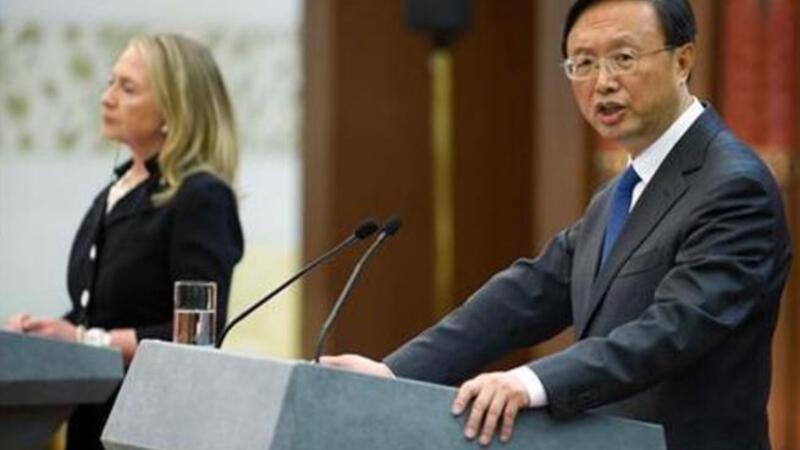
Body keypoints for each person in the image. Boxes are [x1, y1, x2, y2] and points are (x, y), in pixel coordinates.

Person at [322, 1, 791, 449]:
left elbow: (671, 329)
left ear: (682, 60)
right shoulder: (620, 192)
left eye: (623, 58)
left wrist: (531, 382)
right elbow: (530, 292)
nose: (602, 82)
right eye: (583, 63)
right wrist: (395, 375)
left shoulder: (733, 186)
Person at [5, 33, 244, 450]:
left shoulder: (201, 196)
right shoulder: (117, 191)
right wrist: (42, 335)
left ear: (173, 109)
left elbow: (197, 335)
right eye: (110, 82)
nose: (107, 98)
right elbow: (98, 310)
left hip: (152, 425)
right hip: (91, 418)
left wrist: (83, 341)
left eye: (127, 88)